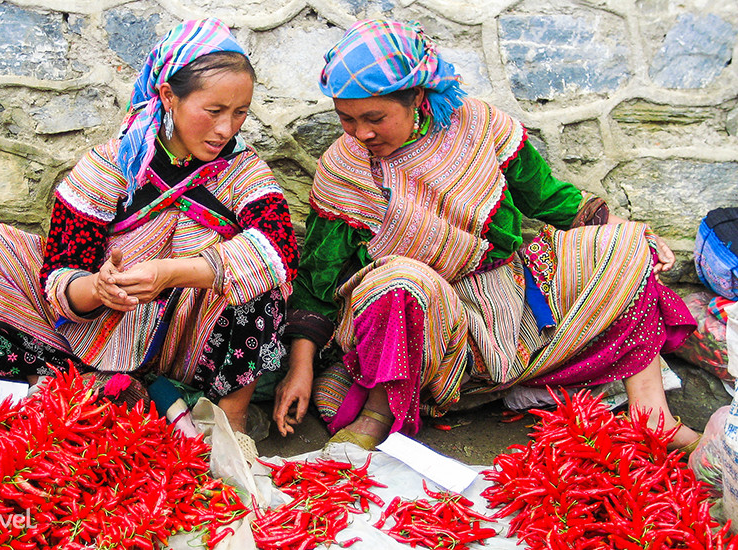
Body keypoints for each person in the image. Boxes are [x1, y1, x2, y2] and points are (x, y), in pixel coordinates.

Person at [272, 19, 699, 453]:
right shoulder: (344, 169)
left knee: (625, 247)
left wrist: (623, 231)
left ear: (417, 97)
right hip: (425, 324)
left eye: (375, 118)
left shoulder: (477, 125)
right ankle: (379, 411)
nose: (361, 133)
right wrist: (300, 365)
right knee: (402, 278)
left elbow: (546, 198)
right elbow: (317, 280)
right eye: (347, 119)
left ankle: (652, 415)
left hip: (510, 295)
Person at [0, 19, 298, 447]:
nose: (227, 129)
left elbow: (279, 250)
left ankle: (231, 423)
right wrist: (97, 289)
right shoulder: (113, 164)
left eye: (240, 112)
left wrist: (172, 272)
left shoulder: (244, 171)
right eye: (214, 111)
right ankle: (84, 388)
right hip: (98, 325)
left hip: (188, 339)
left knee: (260, 279)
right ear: (169, 96)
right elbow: (61, 274)